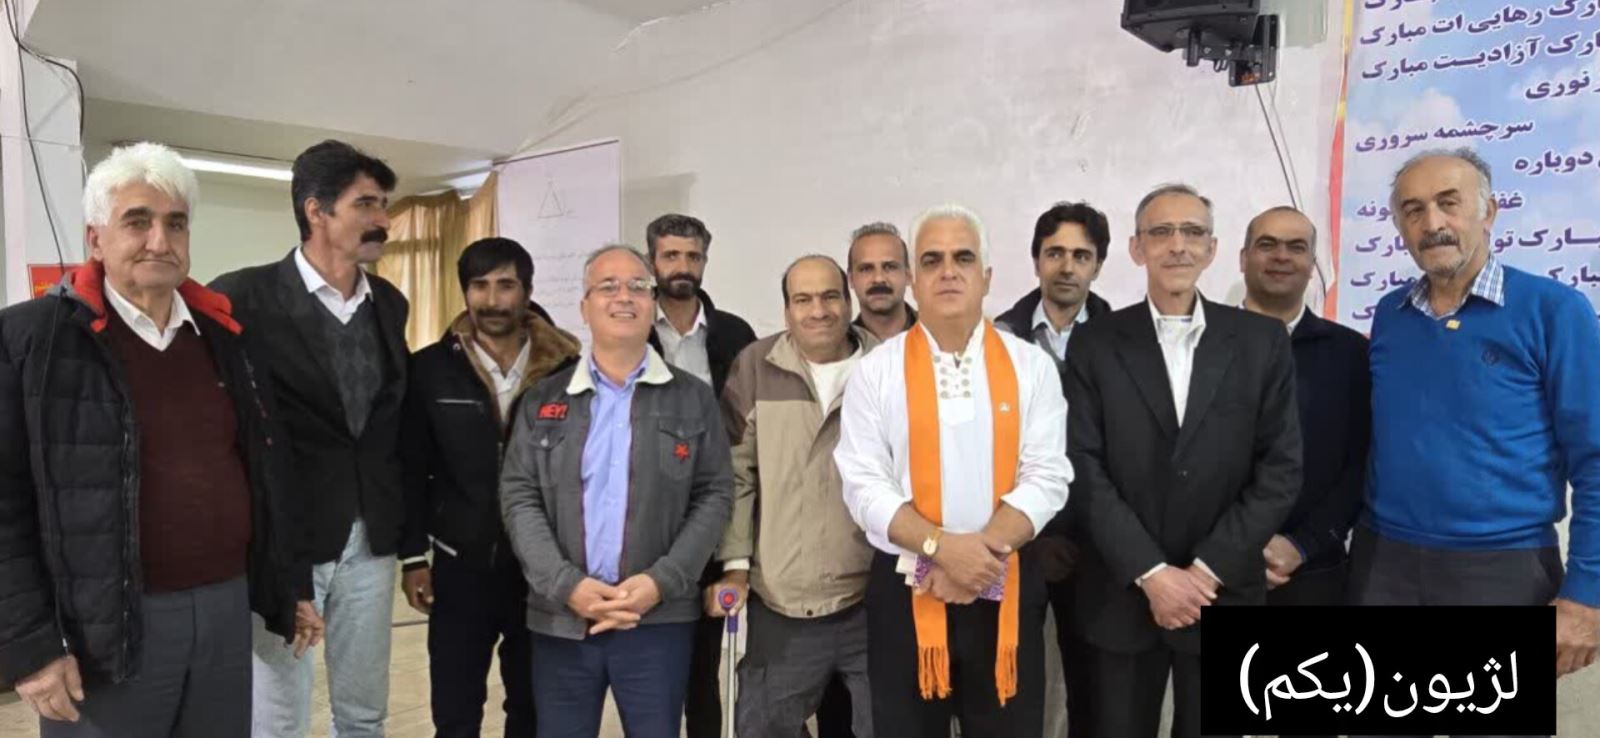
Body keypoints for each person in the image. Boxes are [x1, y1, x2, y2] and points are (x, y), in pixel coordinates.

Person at [0, 142, 320, 737]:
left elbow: (265, 470)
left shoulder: (226, 337)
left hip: (225, 607)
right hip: (104, 626)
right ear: (96, 239)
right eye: (137, 221)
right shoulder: (32, 340)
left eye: (175, 223)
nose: (159, 240)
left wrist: (289, 583)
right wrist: (30, 645)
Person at [1353, 149, 1600, 724]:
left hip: (1504, 572)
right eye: (1413, 209)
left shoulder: (1554, 310)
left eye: (1449, 203)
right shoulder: (1390, 314)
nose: (1432, 222)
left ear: (1488, 212)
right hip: (1383, 566)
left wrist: (1587, 593)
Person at [1064, 183, 1300, 738]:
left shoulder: (1262, 342)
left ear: (1212, 249)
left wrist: (1203, 572)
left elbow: (1280, 469)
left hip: (1222, 589)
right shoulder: (1095, 342)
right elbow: (1082, 466)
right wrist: (1152, 574)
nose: (1178, 245)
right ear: (1137, 247)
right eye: (1162, 232)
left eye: (1193, 232)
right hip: (1123, 593)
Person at [834, 205, 1071, 737]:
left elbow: (1047, 476)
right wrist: (941, 549)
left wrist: (975, 558)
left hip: (1005, 582)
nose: (948, 271)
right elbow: (864, 485)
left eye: (963, 258)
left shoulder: (1031, 366)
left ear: (986, 276)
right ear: (913, 280)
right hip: (907, 591)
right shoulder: (875, 372)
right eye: (931, 260)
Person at [210, 140, 411, 738]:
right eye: (366, 204)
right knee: (279, 716)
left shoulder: (389, 304)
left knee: (364, 710)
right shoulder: (241, 298)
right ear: (316, 210)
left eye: (384, 204)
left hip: (370, 536)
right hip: (285, 538)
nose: (383, 219)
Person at [500, 244, 734, 738]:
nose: (623, 297)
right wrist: (567, 586)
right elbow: (519, 497)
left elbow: (714, 495)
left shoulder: (693, 398)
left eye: (637, 287)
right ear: (584, 307)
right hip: (563, 619)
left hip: (656, 620)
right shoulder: (542, 399)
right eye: (607, 286)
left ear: (652, 303)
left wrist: (660, 583)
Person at [398, 237, 583, 737]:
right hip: (460, 566)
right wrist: (413, 557)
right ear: (465, 292)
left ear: (528, 291)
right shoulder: (429, 369)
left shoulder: (568, 371)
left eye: (506, 285)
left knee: (532, 708)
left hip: (541, 568)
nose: (493, 300)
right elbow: (411, 466)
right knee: (455, 711)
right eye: (480, 286)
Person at [706, 255, 880, 738]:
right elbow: (736, 473)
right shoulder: (755, 366)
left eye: (829, 296)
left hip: (872, 598)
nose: (818, 310)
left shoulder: (887, 366)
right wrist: (735, 565)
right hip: (783, 604)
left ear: (848, 302)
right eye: (803, 299)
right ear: (786, 311)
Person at [993, 200, 1114, 738]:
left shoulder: (1123, 337)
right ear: (1036, 259)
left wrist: (1094, 538)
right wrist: (1031, 537)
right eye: (1055, 253)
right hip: (1019, 540)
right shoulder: (998, 338)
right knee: (1011, 684)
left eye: (1081, 256)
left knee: (1095, 688)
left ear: (1099, 264)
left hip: (1099, 543)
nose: (1067, 267)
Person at [641, 213, 757, 738]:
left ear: (705, 261)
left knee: (708, 668)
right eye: (671, 255)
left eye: (693, 256)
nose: (682, 266)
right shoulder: (633, 328)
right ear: (653, 261)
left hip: (717, 511)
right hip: (650, 516)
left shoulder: (735, 334)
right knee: (657, 663)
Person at [1238, 206, 1369, 618]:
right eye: (1267, 244)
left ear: (1312, 265)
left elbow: (1362, 461)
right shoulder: (1202, 346)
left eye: (1296, 247)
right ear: (1243, 258)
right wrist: (1231, 547)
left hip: (1314, 571)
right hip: (1211, 573)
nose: (1282, 256)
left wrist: (1303, 544)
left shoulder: (1351, 353)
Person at [847, 222, 918, 341]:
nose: (879, 278)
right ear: (851, 279)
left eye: (890, 267)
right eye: (866, 269)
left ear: (908, 275)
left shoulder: (939, 333)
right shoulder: (840, 345)